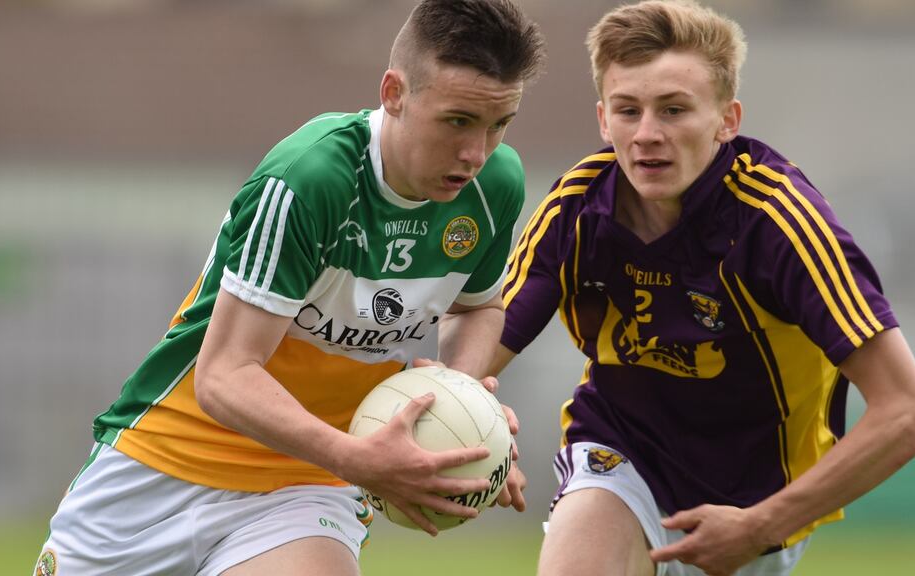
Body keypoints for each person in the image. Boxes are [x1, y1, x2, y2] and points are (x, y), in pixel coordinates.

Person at [33, 2, 544, 575]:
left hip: (307, 483)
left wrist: (465, 415)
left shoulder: (495, 186)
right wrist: (360, 458)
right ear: (395, 93)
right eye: (457, 121)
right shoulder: (310, 179)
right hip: (162, 464)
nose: (477, 153)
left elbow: (476, 309)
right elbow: (224, 376)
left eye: (499, 124)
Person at [490, 1, 915, 575]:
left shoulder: (779, 223)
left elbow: (909, 412)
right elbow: (486, 340)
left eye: (674, 110)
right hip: (620, 453)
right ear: (604, 120)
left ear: (727, 120)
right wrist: (471, 415)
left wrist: (761, 525)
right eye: (628, 111)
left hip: (758, 506)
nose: (647, 134)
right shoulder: (577, 207)